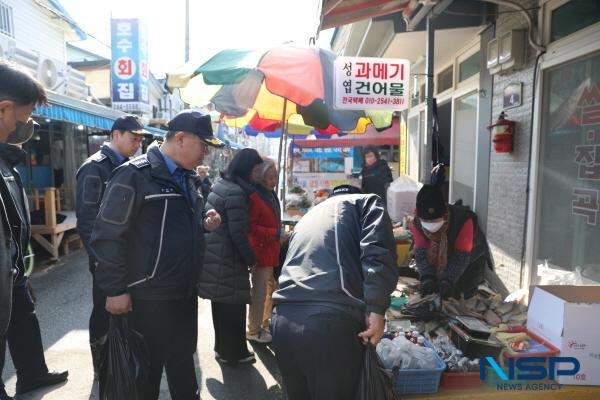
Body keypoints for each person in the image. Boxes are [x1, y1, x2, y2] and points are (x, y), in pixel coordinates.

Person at [90, 109, 223, 400]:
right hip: (146, 297)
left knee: (183, 369)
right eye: (204, 146)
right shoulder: (133, 175)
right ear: (180, 139)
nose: (206, 155)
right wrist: (114, 290)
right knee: (143, 379)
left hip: (183, 292)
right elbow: (107, 235)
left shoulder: (189, 179)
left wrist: (203, 222)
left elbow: (176, 226)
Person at [271, 184, 399, 400]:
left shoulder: (308, 217)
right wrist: (377, 310)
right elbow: (377, 252)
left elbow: (282, 266)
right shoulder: (366, 202)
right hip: (327, 324)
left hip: (282, 321)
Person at [0, 61, 67, 400]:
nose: (23, 129)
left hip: (13, 273)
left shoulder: (5, 161)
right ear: (3, 109)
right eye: (22, 121)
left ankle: (32, 375)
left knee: (24, 322)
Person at [75, 115, 146, 377]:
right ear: (115, 134)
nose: (138, 143)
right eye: (133, 137)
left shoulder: (129, 166)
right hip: (106, 258)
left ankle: (121, 363)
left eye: (140, 139)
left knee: (124, 311)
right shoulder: (94, 167)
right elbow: (87, 220)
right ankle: (103, 368)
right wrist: (100, 260)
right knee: (104, 311)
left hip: (127, 256)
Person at [198, 148, 263, 364]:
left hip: (216, 252)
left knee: (221, 304)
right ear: (246, 169)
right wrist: (251, 258)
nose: (256, 176)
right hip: (228, 255)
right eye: (255, 171)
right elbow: (238, 233)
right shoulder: (236, 192)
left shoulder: (221, 184)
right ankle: (235, 353)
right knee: (234, 306)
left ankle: (222, 348)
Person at [411, 184, 493, 299]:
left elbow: (461, 257)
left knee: (462, 298)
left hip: (469, 263)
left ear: (444, 214)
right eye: (425, 220)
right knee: (435, 297)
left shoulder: (463, 220)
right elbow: (420, 254)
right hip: (439, 264)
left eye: (435, 220)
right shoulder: (416, 223)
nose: (430, 224)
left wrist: (447, 280)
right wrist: (427, 277)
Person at [246, 157, 282, 344]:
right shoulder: (255, 196)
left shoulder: (271, 195)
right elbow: (250, 228)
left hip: (271, 250)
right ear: (260, 176)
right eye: (269, 177)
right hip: (260, 251)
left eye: (275, 177)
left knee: (270, 290)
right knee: (259, 293)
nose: (273, 181)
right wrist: (274, 233)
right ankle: (253, 330)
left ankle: (263, 324)